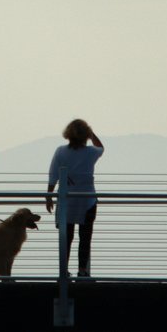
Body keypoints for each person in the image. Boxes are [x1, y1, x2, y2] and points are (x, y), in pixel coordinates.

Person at [45, 119, 104, 279]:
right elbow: (101, 148)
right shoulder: (91, 152)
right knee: (85, 238)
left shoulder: (60, 151)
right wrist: (92, 134)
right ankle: (82, 271)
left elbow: (53, 175)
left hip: (67, 201)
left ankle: (63, 270)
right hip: (87, 200)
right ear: (85, 134)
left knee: (66, 237)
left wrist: (49, 196)